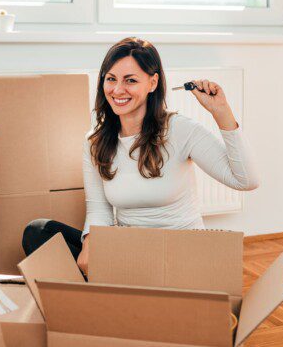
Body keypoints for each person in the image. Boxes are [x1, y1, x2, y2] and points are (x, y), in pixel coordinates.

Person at [21, 37, 259, 274]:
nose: (117, 90)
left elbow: (246, 180)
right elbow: (99, 210)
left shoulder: (180, 130)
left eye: (130, 81)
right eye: (111, 79)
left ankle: (109, 298)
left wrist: (222, 112)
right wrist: (90, 244)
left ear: (153, 83)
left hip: (180, 255)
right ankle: (97, 300)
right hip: (132, 253)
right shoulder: (95, 140)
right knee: (39, 231)